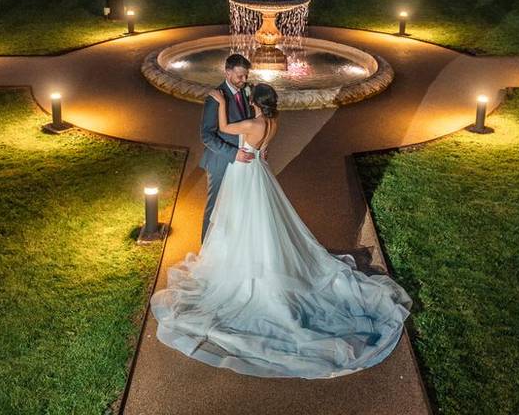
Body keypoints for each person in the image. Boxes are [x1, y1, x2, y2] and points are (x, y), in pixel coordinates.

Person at [150, 82, 412, 379]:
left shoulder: (251, 122)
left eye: (251, 98)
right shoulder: (273, 122)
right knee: (263, 222)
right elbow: (263, 147)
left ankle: (244, 267)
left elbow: (224, 126)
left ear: (257, 103)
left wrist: (220, 103)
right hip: (258, 171)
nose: (248, 100)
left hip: (244, 174)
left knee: (241, 220)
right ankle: (257, 258)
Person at [198, 53, 255, 242]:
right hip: (220, 161)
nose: (244, 80)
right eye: (240, 76)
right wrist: (233, 153)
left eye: (246, 76)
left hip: (239, 159)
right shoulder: (215, 98)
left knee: (236, 205)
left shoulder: (245, 91)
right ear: (227, 72)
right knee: (215, 207)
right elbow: (206, 135)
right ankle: (204, 250)